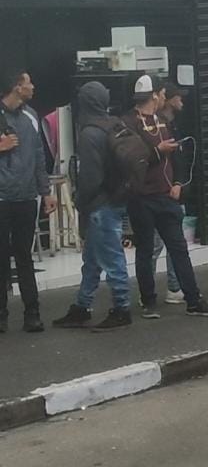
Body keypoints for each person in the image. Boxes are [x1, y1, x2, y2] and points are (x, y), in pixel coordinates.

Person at [124, 74, 208, 318]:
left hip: (166, 195)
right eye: (162, 94)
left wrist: (178, 182)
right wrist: (158, 151)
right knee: (146, 249)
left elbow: (176, 157)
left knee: (179, 248)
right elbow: (132, 159)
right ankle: (148, 300)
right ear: (154, 95)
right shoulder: (128, 123)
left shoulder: (163, 121)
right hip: (141, 196)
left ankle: (193, 298)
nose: (164, 98)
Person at [52, 82, 133, 332]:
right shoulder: (116, 124)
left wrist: (79, 201)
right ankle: (82, 305)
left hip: (99, 205)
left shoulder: (89, 133)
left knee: (110, 257)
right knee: (93, 259)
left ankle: (122, 307)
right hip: (118, 198)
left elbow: (89, 178)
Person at [0, 70, 54, 333]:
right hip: (1, 198)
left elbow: (39, 157)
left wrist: (45, 192)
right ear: (16, 88)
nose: (32, 86)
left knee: (24, 256)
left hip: (25, 197)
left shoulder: (31, 117)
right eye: (28, 82)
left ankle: (32, 313)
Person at [151, 82, 186, 304]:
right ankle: (152, 291)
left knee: (172, 242)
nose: (181, 102)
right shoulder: (157, 127)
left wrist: (179, 182)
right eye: (177, 98)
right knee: (157, 244)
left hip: (172, 189)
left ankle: (173, 287)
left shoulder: (173, 126)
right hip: (159, 192)